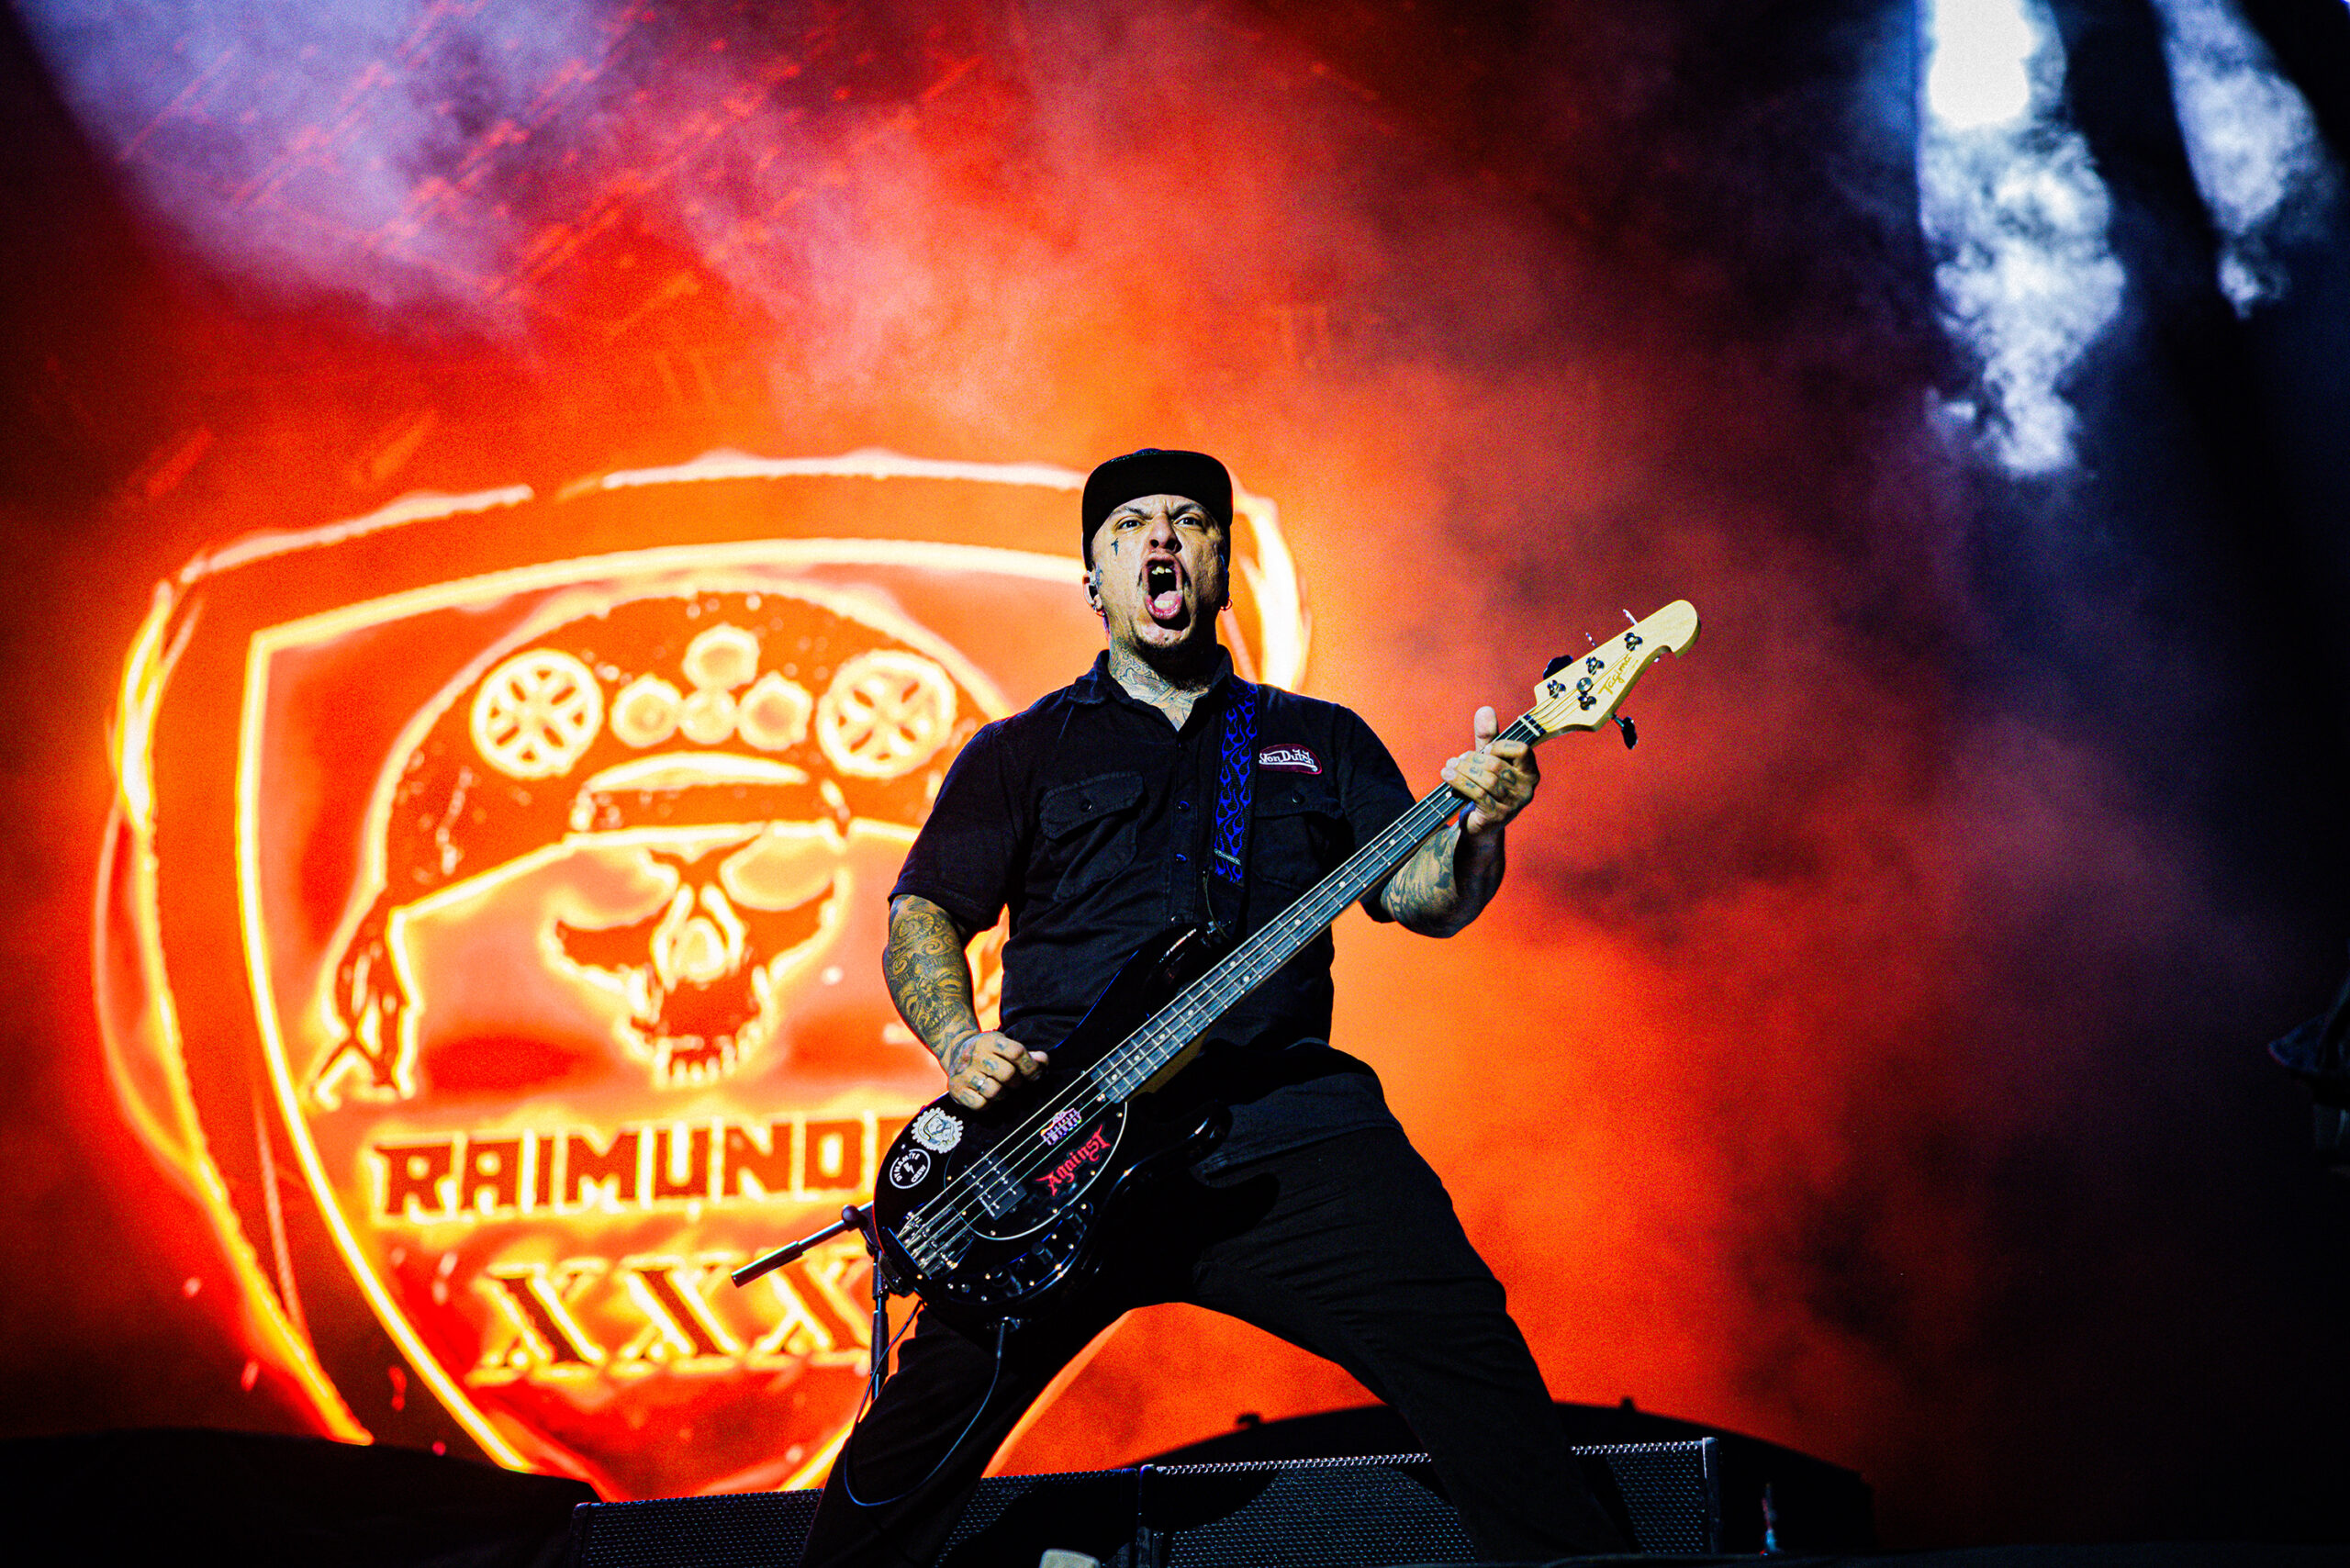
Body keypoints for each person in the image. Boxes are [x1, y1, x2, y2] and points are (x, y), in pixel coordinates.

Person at [795, 449, 1628, 1565]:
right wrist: (958, 1042)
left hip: (1283, 1129)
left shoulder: (1319, 738)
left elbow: (1423, 899)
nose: (1161, 539)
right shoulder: (1020, 752)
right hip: (1055, 1149)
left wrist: (1479, 826)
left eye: (1189, 521)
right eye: (1130, 525)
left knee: (1465, 1351)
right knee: (903, 1457)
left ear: (1219, 564)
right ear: (1093, 579)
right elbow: (923, 916)